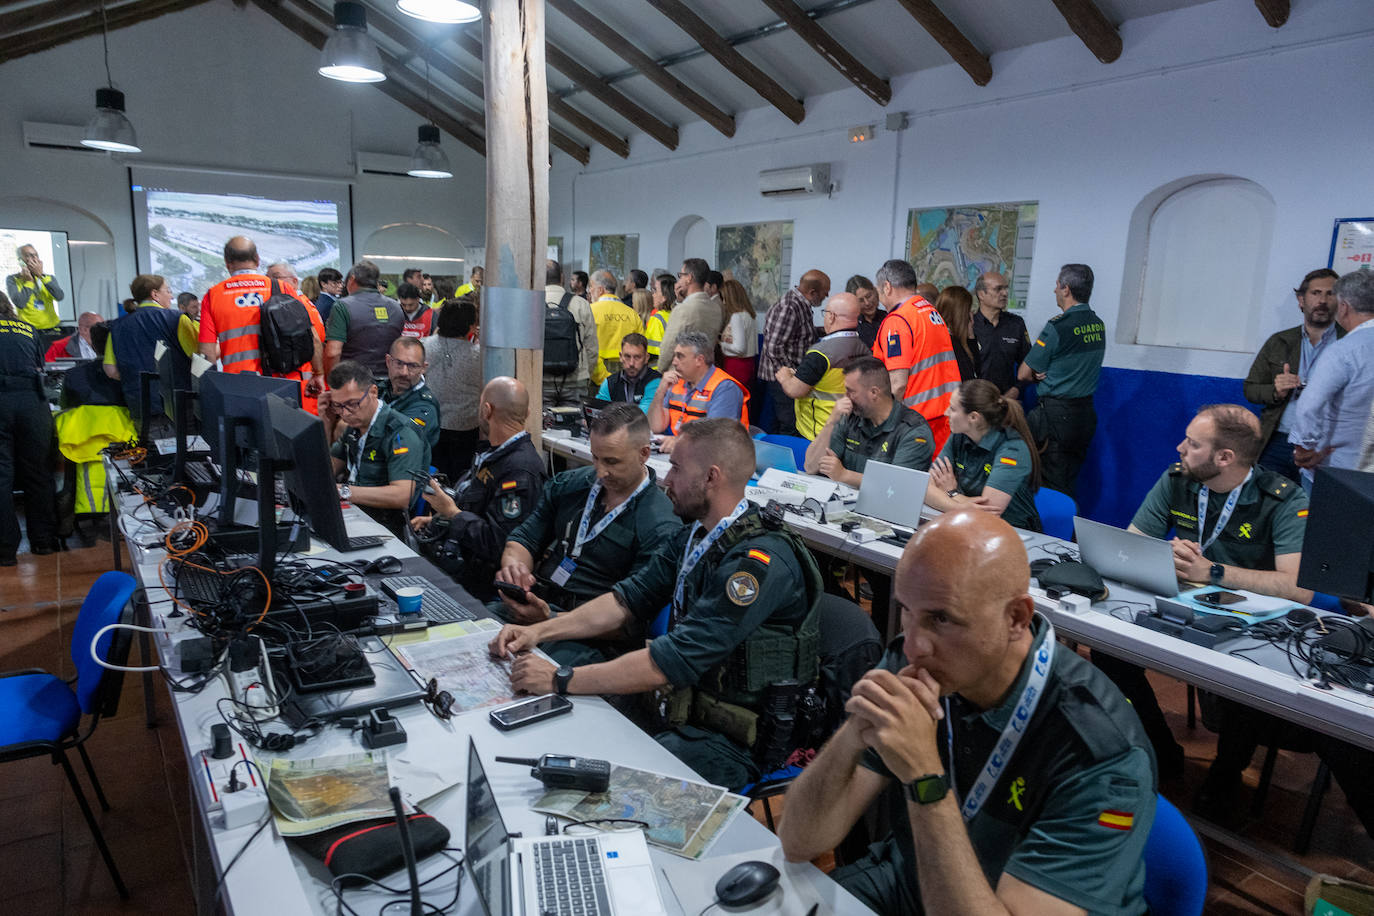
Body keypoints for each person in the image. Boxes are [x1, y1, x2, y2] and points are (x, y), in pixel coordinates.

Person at [778, 508, 1157, 916]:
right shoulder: (919, 662)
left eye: (941, 619)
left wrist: (925, 778)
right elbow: (799, 841)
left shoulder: (1102, 755)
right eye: (907, 609)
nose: (913, 646)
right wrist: (854, 732)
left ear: (1016, 618)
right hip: (910, 880)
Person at [489, 418, 823, 788]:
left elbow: (672, 659)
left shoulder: (759, 563)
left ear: (711, 477)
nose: (666, 480)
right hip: (679, 708)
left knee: (606, 786)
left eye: (677, 469)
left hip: (734, 739)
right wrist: (539, 630)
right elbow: (624, 600)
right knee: (566, 737)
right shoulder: (695, 536)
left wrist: (560, 678)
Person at [1101, 404, 1311, 783]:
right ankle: (1162, 751)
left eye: (1193, 444)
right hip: (1182, 605)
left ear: (1225, 457)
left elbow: (1300, 589)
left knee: (1244, 681)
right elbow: (1132, 544)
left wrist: (1212, 572)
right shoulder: (1179, 479)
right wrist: (1165, 554)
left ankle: (1226, 772)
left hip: (1248, 623)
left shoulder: (1284, 500)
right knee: (1108, 650)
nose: (1180, 448)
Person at [492, 404, 680, 642]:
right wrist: (515, 568)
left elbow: (629, 619)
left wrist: (548, 621)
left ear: (644, 454)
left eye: (612, 462)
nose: (600, 472)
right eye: (595, 457)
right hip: (538, 607)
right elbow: (524, 539)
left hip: (592, 639)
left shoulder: (659, 525)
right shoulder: (570, 486)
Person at [411, 377, 546, 600]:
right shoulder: (494, 453)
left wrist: (452, 514)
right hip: (461, 563)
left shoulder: (519, 470)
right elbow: (478, 511)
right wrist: (439, 520)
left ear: (486, 410)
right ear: (527, 412)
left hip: (482, 587)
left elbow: (501, 544)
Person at [198, 236, 325, 407]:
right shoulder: (281, 288)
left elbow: (207, 353)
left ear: (227, 263)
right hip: (282, 383)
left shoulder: (213, 296)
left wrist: (209, 392)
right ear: (257, 260)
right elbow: (312, 337)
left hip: (238, 387)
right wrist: (318, 373)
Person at [1244, 268, 1343, 483]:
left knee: (1315, 510)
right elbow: (1250, 388)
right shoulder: (1279, 341)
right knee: (1267, 506)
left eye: (1330, 293)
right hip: (1278, 440)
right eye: (1316, 293)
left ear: (1341, 301)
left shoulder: (1351, 344)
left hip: (1326, 446)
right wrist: (1275, 391)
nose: (1323, 300)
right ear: (1301, 300)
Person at [1018, 263, 1106, 497]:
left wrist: (1039, 374)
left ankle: (1047, 532)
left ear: (1066, 289)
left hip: (1054, 418)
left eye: (1057, 285)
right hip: (1084, 416)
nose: (1054, 290)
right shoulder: (1098, 324)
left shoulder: (1058, 327)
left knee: (1046, 482)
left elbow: (1024, 373)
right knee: (1068, 481)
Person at [1288, 269, 1374, 488]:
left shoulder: (1344, 351)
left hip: (1339, 471)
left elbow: (1309, 406)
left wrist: (1306, 449)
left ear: (1343, 307)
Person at [321, 360, 427, 537]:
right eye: (338, 406)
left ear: (373, 392)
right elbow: (326, 471)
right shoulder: (354, 425)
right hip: (354, 516)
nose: (345, 413)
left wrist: (344, 491)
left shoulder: (400, 432)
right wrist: (325, 423)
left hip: (385, 529)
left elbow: (401, 496)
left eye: (353, 404)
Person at [923, 379, 1042, 532]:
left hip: (1013, 532)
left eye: (952, 409)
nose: (946, 412)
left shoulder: (1012, 449)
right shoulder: (960, 435)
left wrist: (951, 492)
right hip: (968, 525)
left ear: (973, 417)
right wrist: (958, 505)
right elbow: (925, 488)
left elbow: (987, 514)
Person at [871, 259, 960, 452]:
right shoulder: (930, 311)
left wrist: (883, 422)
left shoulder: (898, 320)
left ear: (887, 287)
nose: (879, 299)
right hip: (946, 414)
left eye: (878, 292)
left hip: (917, 420)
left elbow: (898, 383)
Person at [804, 356, 934, 486]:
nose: (845, 397)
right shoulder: (850, 417)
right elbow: (810, 466)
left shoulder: (913, 431)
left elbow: (898, 486)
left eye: (851, 391)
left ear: (874, 393)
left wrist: (845, 475)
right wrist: (831, 422)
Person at [0, 292, 60, 564]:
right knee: (38, 471)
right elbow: (40, 365)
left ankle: (5, 551)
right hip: (32, 401)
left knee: (2, 475)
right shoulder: (28, 328)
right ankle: (45, 542)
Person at [103, 274, 194, 428]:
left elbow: (111, 370)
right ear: (155, 294)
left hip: (139, 405)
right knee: (188, 450)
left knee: (151, 450)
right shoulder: (178, 319)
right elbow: (198, 356)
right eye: (168, 290)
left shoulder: (117, 326)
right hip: (179, 404)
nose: (171, 296)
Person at [777, 292, 868, 440]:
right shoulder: (865, 349)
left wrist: (785, 377)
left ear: (831, 316)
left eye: (825, 313)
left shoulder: (821, 353)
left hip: (819, 433)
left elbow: (795, 390)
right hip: (851, 430)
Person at [647, 331, 748, 451]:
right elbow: (655, 427)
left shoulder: (724, 388)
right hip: (682, 452)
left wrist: (679, 441)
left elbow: (716, 437)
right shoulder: (676, 382)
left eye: (680, 356)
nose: (674, 362)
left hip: (718, 457)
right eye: (674, 356)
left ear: (699, 360)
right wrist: (660, 392)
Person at [759, 269, 828, 436]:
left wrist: (824, 331)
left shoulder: (801, 304)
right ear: (812, 292)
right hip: (782, 378)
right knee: (789, 424)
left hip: (789, 377)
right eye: (824, 294)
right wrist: (790, 375)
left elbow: (798, 335)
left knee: (787, 422)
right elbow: (774, 347)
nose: (826, 298)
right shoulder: (789, 306)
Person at [423, 297, 482, 481]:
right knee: (460, 479)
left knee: (432, 477)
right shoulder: (478, 355)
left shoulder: (423, 346)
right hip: (465, 427)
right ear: (472, 325)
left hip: (430, 424)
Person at [325, 259, 404, 376]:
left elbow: (333, 352)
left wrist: (333, 383)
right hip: (390, 382)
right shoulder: (396, 307)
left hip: (354, 383)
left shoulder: (342, 306)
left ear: (352, 279)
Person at [377, 336, 440, 465]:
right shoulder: (379, 389)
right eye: (399, 363)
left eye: (412, 366)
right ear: (388, 361)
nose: (404, 372)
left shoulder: (425, 407)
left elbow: (397, 441)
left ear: (423, 368)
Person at [543, 259, 599, 406]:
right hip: (575, 380)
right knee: (574, 426)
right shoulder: (581, 304)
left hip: (541, 381)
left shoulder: (532, 303)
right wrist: (584, 373)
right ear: (562, 277)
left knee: (541, 427)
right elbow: (592, 348)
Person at [971, 271, 1031, 399]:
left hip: (1008, 400)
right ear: (981, 294)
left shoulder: (1016, 324)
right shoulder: (970, 325)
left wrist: (1016, 389)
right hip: (976, 401)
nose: (1004, 293)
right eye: (998, 289)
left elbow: (1028, 363)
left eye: (1005, 288)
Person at [656, 258, 723, 372]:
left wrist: (660, 370)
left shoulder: (683, 310)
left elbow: (668, 347)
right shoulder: (715, 308)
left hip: (679, 375)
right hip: (704, 373)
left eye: (681, 276)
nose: (679, 281)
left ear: (689, 278)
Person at [588, 269, 643, 385]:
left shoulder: (590, 311)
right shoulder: (632, 314)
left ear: (600, 289)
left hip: (596, 374)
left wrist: (604, 378)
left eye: (591, 286)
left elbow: (587, 349)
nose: (589, 291)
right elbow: (641, 349)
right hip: (627, 374)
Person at [6, 243, 65, 331]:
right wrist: (29, 281)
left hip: (52, 327)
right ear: (20, 261)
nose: (34, 258)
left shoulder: (48, 278)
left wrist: (41, 276)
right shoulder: (12, 279)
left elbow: (59, 296)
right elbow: (20, 303)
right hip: (27, 329)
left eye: (35, 255)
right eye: (29, 255)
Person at [596, 333, 661, 410]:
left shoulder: (656, 381)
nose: (631, 363)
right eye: (627, 356)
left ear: (646, 358)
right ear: (620, 357)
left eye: (637, 357)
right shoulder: (609, 383)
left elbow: (644, 415)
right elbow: (599, 412)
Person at [935, 285, 980, 382]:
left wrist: (971, 336)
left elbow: (976, 368)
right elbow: (970, 377)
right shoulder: (949, 344)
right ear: (960, 314)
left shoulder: (955, 339)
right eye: (969, 310)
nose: (972, 314)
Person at [848, 274, 885, 349]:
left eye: (869, 296)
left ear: (875, 292)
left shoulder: (889, 318)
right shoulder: (852, 327)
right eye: (861, 300)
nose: (867, 303)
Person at [644, 274, 675, 361]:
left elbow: (650, 353)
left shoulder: (657, 319)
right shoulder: (677, 315)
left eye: (655, 291)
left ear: (664, 297)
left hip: (657, 371)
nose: (652, 295)